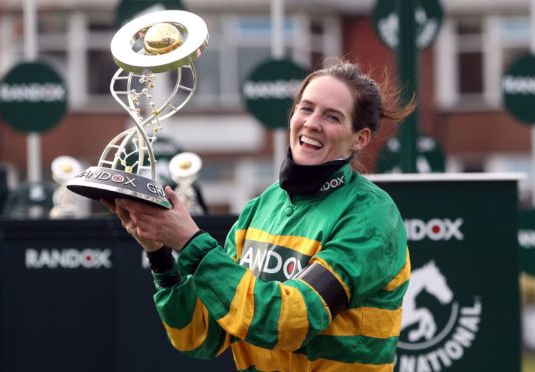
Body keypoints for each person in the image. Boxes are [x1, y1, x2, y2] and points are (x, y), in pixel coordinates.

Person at [103, 61, 413, 371]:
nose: (312, 123)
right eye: (306, 109)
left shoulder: (371, 217)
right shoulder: (263, 206)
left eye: (332, 116)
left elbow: (289, 321)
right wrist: (159, 255)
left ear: (360, 138)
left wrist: (190, 242)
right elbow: (201, 336)